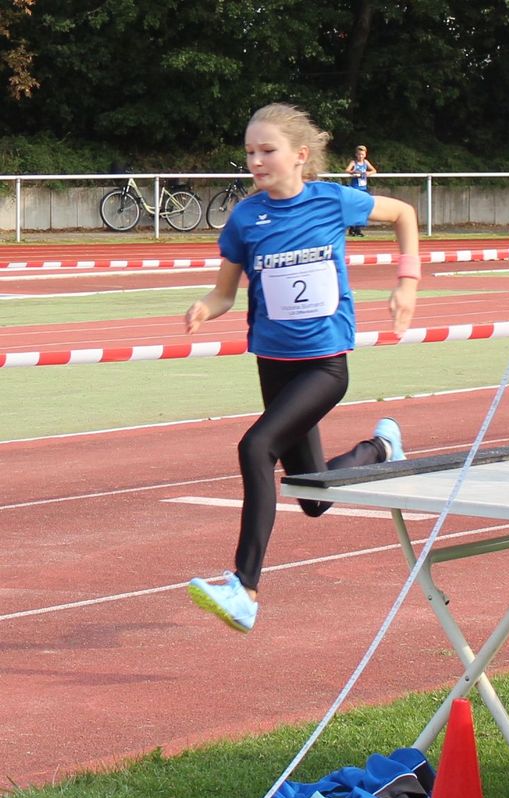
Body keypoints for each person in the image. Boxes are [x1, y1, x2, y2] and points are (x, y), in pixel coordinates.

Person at [186, 103, 420, 633]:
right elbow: (225, 293)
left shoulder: (332, 201)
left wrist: (407, 283)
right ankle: (380, 449)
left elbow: (404, 214)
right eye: (249, 152)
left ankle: (245, 589)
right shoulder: (245, 218)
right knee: (312, 494)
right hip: (274, 365)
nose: (255, 161)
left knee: (255, 447)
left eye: (267, 151)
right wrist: (205, 307)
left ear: (300, 155)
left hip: (324, 367)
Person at [344, 144, 377, 236]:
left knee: (362, 209)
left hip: (363, 189)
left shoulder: (366, 162)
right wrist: (353, 172)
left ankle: (358, 229)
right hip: (355, 188)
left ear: (365, 155)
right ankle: (352, 228)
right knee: (354, 208)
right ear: (356, 154)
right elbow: (346, 170)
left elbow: (374, 170)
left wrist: (368, 173)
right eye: (359, 154)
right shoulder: (354, 162)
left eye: (362, 154)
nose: (360, 156)